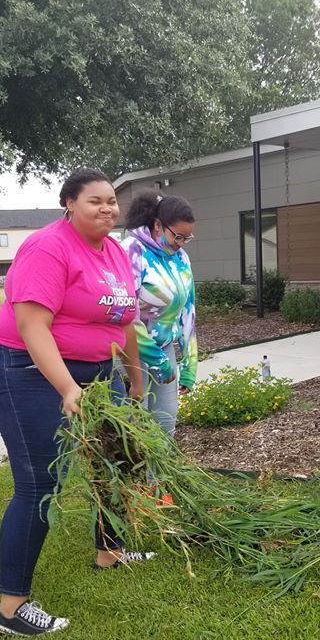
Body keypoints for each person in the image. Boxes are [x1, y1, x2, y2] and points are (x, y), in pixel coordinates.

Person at [0, 168, 146, 638]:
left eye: (112, 201)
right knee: (39, 484)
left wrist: (133, 377)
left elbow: (125, 321)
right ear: (69, 204)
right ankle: (11, 608)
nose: (108, 209)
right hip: (27, 371)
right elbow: (32, 326)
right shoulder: (48, 247)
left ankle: (109, 551)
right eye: (96, 201)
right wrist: (67, 388)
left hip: (97, 373)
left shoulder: (114, 252)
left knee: (117, 461)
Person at [122, 191, 197, 450]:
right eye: (178, 236)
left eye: (187, 238)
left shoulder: (181, 258)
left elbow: (188, 310)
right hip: (132, 355)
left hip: (165, 351)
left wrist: (190, 364)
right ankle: (136, 488)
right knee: (136, 429)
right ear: (157, 225)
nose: (181, 243)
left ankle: (159, 487)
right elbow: (127, 314)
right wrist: (159, 362)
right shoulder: (131, 251)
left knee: (165, 424)